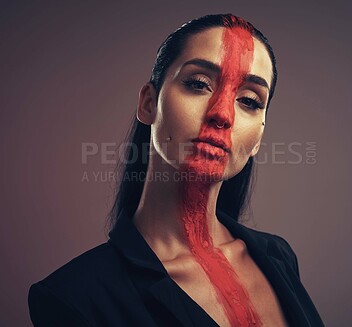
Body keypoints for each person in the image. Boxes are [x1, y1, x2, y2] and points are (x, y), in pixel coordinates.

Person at [28, 14, 325, 327]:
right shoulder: (74, 297)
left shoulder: (279, 257)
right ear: (148, 103)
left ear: (258, 138)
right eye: (198, 84)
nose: (223, 115)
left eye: (249, 101)